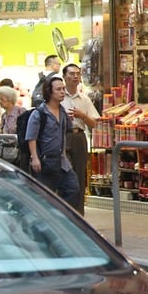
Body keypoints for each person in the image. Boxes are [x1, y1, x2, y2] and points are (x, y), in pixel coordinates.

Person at [27, 76, 81, 211]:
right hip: (46, 161)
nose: (62, 92)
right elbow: (31, 137)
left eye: (63, 89)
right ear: (49, 92)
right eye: (58, 89)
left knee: (73, 189)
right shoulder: (39, 113)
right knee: (43, 198)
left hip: (62, 161)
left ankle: (61, 217)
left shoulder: (62, 112)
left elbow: (68, 128)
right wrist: (35, 158)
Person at [61, 63, 99, 214]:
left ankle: (78, 214)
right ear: (64, 77)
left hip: (79, 137)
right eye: (71, 74)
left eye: (77, 73)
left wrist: (82, 116)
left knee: (79, 175)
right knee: (64, 173)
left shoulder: (84, 99)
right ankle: (64, 212)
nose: (75, 76)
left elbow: (94, 123)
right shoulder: (58, 97)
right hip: (62, 136)